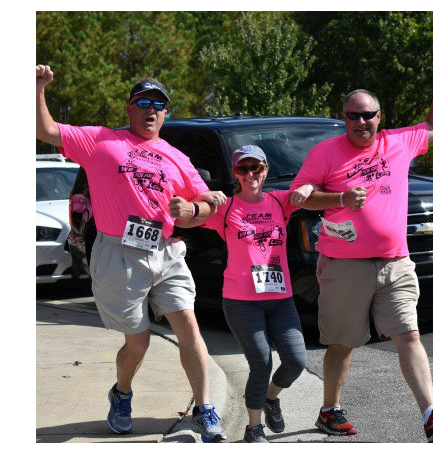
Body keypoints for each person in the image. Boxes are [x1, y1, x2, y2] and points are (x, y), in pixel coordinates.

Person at [36, 65, 229, 442]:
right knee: (137, 340)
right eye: (143, 102)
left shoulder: (175, 156)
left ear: (165, 114)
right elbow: (45, 130)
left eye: (159, 104)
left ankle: (206, 409)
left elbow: (205, 202)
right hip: (118, 253)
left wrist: (192, 211)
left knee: (189, 327)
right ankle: (121, 393)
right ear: (130, 108)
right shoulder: (100, 141)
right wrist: (38, 88)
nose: (151, 109)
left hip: (167, 250)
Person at [290, 60, 433, 442]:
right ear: (344, 117)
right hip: (344, 266)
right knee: (343, 343)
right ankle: (329, 410)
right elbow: (300, 197)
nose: (361, 122)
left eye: (368, 115)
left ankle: (430, 415)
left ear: (378, 117)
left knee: (409, 335)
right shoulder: (326, 153)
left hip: (395, 262)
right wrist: (337, 197)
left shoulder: (398, 142)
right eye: (353, 116)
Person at [178, 145, 318, 442]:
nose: (251, 174)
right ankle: (253, 428)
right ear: (235, 174)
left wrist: (307, 186)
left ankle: (269, 398)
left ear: (265, 170)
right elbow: (189, 218)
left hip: (280, 299)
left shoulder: (280, 201)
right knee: (261, 362)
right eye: (244, 169)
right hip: (241, 301)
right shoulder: (227, 207)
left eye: (256, 168)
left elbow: (316, 192)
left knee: (296, 360)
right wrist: (194, 202)